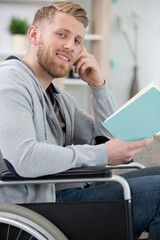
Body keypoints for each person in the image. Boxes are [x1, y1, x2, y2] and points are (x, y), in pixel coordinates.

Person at [0, 1, 159, 239]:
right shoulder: (10, 81)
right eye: (61, 34)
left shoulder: (61, 98)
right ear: (34, 35)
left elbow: (111, 140)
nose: (70, 46)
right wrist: (103, 153)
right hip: (38, 206)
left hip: (68, 194)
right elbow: (24, 159)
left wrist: (98, 87)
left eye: (77, 40)